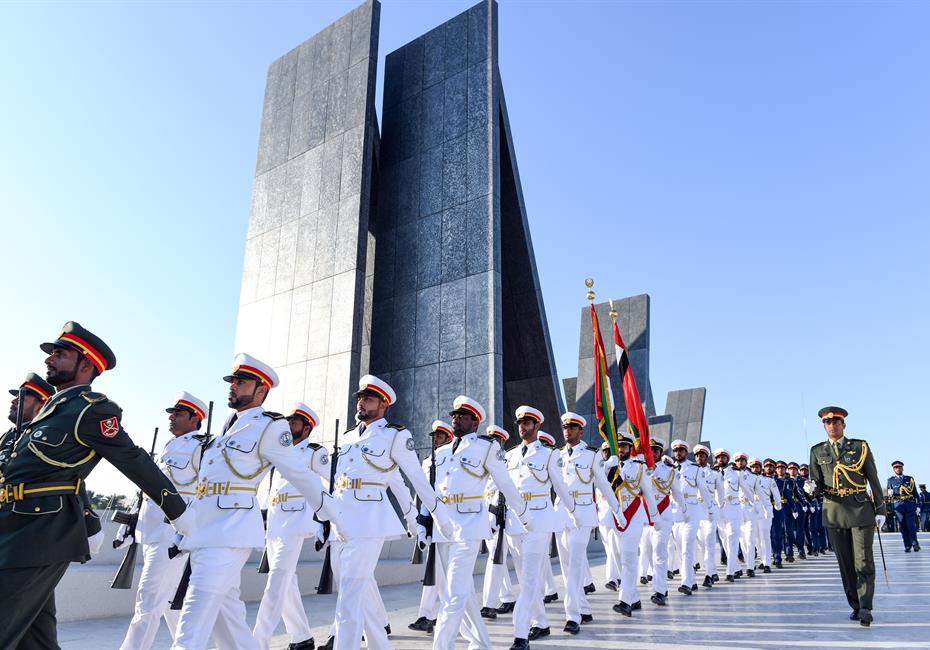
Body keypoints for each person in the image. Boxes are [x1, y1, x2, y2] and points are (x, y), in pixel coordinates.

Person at [0, 321, 194, 649]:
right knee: (35, 640)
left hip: (43, 532)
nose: (49, 360)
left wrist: (179, 513)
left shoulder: (91, 410)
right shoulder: (48, 413)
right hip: (15, 527)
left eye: (60, 354)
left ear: (86, 364)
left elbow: (135, 461)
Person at [172, 353, 338, 650]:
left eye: (241, 382)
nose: (233, 386)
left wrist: (330, 516)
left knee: (191, 628)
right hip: (203, 531)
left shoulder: (269, 426)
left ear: (261, 390)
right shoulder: (224, 428)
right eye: (233, 381)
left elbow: (302, 475)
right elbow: (205, 485)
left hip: (229, 533)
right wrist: (182, 528)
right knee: (230, 623)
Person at [329, 374, 451, 650]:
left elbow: (416, 479)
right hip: (341, 521)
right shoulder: (349, 437)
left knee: (348, 597)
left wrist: (434, 519)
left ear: (383, 405)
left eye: (368, 398)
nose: (361, 402)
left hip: (369, 522)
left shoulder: (395, 435)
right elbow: (337, 482)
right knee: (357, 593)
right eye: (360, 398)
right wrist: (324, 519)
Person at [430, 398, 530, 650]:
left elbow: (505, 483)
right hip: (443, 527)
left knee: (453, 594)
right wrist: (423, 521)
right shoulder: (440, 452)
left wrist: (524, 515)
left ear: (475, 422)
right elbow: (432, 490)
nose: (456, 419)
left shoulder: (486, 448)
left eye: (463, 416)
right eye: (454, 415)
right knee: (457, 590)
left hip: (469, 524)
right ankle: (481, 643)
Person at [120, 392, 208, 650]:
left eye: (179, 414)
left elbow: (203, 494)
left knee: (147, 602)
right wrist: (132, 524)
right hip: (150, 532)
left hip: (172, 535)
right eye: (171, 413)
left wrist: (190, 530)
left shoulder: (199, 449)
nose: (172, 417)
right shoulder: (169, 446)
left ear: (195, 420)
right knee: (168, 602)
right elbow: (149, 492)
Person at [252, 402, 328, 650]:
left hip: (295, 525)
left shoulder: (314, 454)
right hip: (274, 527)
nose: (288, 425)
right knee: (287, 584)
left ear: (306, 428)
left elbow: (335, 482)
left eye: (294, 422)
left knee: (276, 583)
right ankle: (301, 637)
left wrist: (323, 519)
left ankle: (257, 643)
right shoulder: (280, 452)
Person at [505, 405, 579, 649]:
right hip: (515, 522)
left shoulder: (548, 454)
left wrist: (574, 513)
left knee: (528, 582)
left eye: (527, 422)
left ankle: (520, 635)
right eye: (520, 423)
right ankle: (541, 622)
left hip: (539, 520)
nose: (522, 426)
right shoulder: (511, 455)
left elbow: (560, 486)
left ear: (537, 426)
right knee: (526, 577)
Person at [805, 406, 885, 627]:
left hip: (860, 509)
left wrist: (880, 509)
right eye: (828, 422)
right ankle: (856, 605)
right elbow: (817, 482)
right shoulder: (817, 451)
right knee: (846, 563)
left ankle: (866, 607)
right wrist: (811, 487)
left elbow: (873, 478)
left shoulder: (859, 447)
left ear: (843, 424)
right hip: (834, 512)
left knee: (864, 560)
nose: (832, 425)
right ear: (824, 426)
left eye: (836, 421)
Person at [555, 412, 621, 633]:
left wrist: (617, 509)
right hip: (561, 514)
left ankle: (573, 616)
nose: (568, 431)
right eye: (565, 427)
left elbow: (602, 484)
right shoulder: (557, 455)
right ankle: (584, 608)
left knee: (575, 565)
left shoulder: (591, 455)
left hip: (582, 514)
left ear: (580, 431)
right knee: (567, 567)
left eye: (572, 427)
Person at [408, 420, 454, 635]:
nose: (435, 438)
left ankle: (444, 615)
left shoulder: (452, 459)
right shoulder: (427, 462)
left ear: (449, 438)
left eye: (440, 435)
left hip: (446, 523)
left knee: (443, 573)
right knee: (433, 572)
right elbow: (421, 493)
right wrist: (419, 523)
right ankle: (426, 614)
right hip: (428, 519)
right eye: (434, 435)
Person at [610, 433, 654, 617]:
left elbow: (649, 493)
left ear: (630, 448)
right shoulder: (610, 466)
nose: (621, 450)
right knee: (620, 557)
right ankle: (634, 597)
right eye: (618, 446)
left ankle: (625, 601)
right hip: (615, 515)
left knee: (628, 558)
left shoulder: (639, 467)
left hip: (634, 515)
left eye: (624, 447)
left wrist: (654, 518)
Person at [673, 440, 713, 594]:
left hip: (692, 510)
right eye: (676, 451)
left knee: (687, 547)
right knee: (680, 548)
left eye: (681, 451)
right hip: (676, 512)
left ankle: (686, 583)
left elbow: (704, 490)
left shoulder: (695, 469)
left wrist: (710, 509)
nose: (678, 453)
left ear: (686, 452)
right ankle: (692, 580)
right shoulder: (670, 469)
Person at [693, 444, 723, 587]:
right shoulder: (690, 472)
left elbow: (721, 494)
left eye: (703, 456)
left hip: (710, 511)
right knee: (702, 545)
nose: (700, 458)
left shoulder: (715, 474)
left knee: (710, 543)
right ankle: (713, 571)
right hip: (696, 512)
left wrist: (718, 508)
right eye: (698, 456)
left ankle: (708, 576)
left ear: (707, 458)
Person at [887, 461, 920, 552]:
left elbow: (915, 493)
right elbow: (890, 494)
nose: (898, 469)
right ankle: (907, 545)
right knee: (903, 527)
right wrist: (890, 496)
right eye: (896, 467)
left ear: (902, 468)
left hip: (909, 504)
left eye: (899, 467)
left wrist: (918, 506)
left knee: (911, 526)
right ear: (893, 469)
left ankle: (915, 544)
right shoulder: (890, 480)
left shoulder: (909, 479)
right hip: (898, 506)